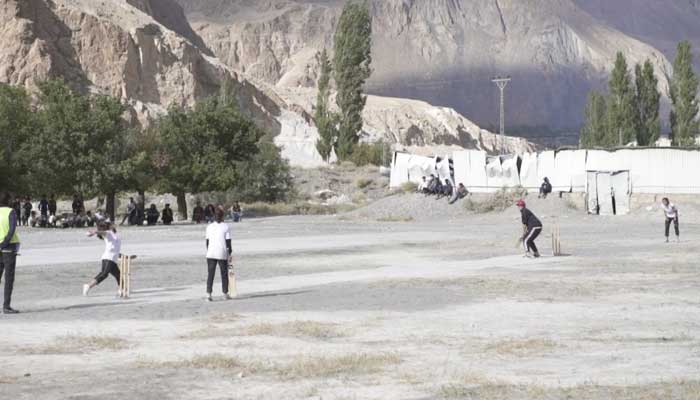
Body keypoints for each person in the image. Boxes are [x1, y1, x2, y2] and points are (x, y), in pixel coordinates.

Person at [83, 219, 122, 296]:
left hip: (112, 258)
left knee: (118, 275)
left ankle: (122, 289)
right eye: (111, 224)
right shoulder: (108, 233)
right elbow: (102, 232)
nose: (113, 224)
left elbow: (115, 248)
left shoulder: (114, 234)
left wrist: (122, 256)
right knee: (104, 274)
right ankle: (88, 286)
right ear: (109, 226)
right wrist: (94, 232)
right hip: (108, 258)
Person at [205, 208, 232, 301]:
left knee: (210, 274)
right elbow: (228, 242)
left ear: (214, 216)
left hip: (210, 253)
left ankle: (208, 294)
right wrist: (229, 253)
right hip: (222, 252)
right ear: (222, 216)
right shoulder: (225, 226)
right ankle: (225, 293)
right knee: (224, 274)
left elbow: (207, 242)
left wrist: (209, 251)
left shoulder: (209, 227)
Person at [0, 193, 21, 313]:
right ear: (8, 201)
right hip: (9, 247)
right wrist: (4, 243)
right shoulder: (10, 212)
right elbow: (12, 229)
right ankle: (6, 306)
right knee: (9, 278)